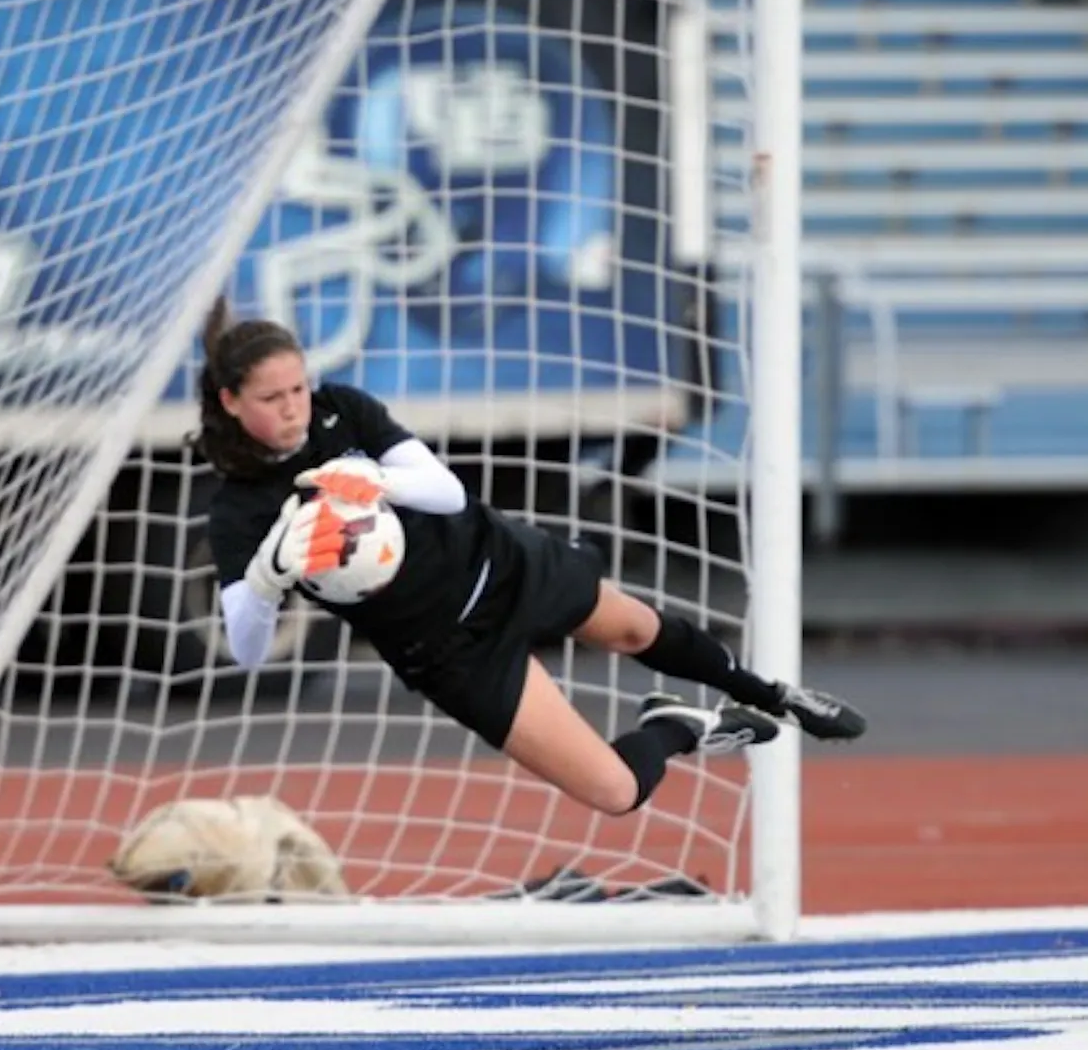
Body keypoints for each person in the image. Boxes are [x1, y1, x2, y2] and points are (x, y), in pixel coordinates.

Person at [195, 298, 866, 817]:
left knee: (635, 627)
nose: (295, 409)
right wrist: (265, 578)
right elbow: (249, 651)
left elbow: (447, 492)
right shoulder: (240, 510)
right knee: (614, 791)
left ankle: (771, 693)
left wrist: (376, 484)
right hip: (450, 652)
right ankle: (677, 726)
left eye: (299, 388)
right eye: (272, 398)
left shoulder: (343, 411)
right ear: (230, 401)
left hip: (499, 561)